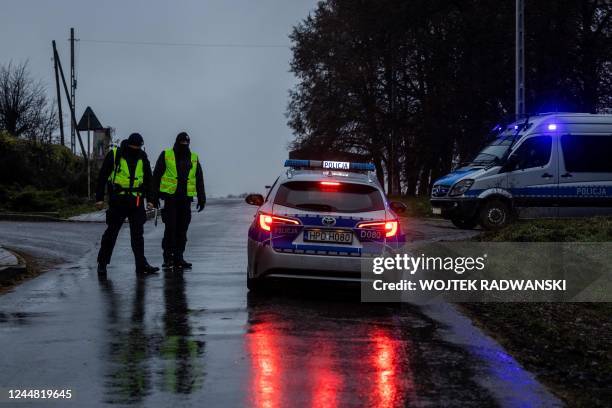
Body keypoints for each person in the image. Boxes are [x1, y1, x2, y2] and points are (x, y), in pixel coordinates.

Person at [95, 133, 160, 276]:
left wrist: (151, 200)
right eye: (134, 147)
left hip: (136, 201)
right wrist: (99, 198)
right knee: (111, 233)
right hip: (118, 201)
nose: (136, 149)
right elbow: (102, 176)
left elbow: (149, 180)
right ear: (128, 144)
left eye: (138, 147)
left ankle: (141, 265)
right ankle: (102, 263)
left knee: (138, 236)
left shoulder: (142, 157)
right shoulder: (115, 154)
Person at [153, 132, 206, 269]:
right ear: (177, 142)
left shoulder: (193, 158)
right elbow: (156, 176)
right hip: (171, 199)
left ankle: (179, 257)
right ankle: (168, 257)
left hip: (185, 200)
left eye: (186, 143)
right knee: (171, 229)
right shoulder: (167, 155)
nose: (184, 145)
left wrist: (202, 197)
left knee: (182, 229)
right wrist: (154, 197)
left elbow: (199, 178)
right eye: (182, 143)